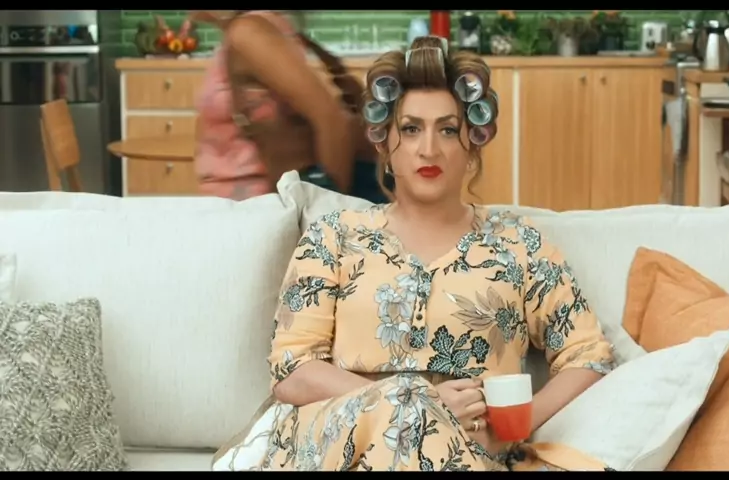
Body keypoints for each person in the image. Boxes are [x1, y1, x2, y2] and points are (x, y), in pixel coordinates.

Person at [221, 36, 616, 471]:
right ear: (385, 146)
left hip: (469, 452)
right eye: (411, 129)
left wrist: (514, 427)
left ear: (472, 146)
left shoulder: (519, 246)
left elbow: (588, 355)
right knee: (408, 423)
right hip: (340, 446)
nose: (429, 148)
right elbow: (292, 369)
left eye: (447, 129)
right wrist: (417, 402)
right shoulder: (334, 236)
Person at [192, 10, 387, 202]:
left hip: (259, 206)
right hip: (250, 205)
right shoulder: (257, 30)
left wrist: (323, 213)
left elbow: (331, 120)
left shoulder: (249, 33)